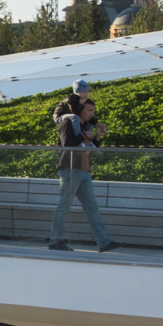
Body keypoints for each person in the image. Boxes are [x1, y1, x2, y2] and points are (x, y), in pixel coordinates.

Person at [49, 97, 116, 253]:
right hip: (70, 168)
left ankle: (103, 242)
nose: (92, 114)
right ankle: (55, 240)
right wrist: (85, 135)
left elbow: (89, 148)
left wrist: (97, 136)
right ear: (80, 110)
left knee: (92, 207)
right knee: (64, 205)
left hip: (83, 169)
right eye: (90, 110)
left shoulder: (85, 126)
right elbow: (67, 144)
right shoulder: (68, 123)